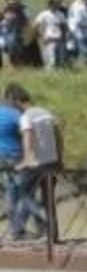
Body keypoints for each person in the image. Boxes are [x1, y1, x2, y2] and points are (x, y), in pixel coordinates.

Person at [9, 86, 61, 240]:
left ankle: (39, 222)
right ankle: (52, 234)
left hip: (36, 164)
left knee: (24, 195)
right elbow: (58, 136)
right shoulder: (46, 113)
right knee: (49, 199)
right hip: (51, 162)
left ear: (15, 101)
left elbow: (28, 136)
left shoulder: (26, 117)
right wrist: (59, 158)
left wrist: (26, 159)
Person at [0, 85, 23, 238]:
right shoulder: (16, 114)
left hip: (1, 157)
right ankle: (16, 229)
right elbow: (25, 132)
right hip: (15, 156)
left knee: (9, 192)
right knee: (21, 192)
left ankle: (14, 229)